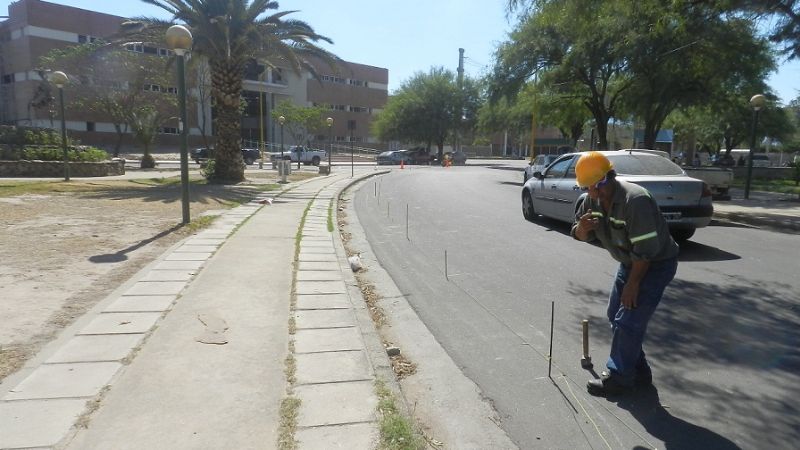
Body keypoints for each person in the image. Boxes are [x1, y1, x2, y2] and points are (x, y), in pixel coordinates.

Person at [570, 152, 679, 396]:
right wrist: (582, 229)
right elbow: (577, 232)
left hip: (655, 263)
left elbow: (646, 252)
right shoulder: (592, 201)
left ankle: (619, 376)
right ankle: (638, 370)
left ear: (604, 180)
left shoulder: (635, 200)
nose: (589, 192)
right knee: (614, 314)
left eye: (591, 186)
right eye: (586, 187)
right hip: (630, 262)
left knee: (628, 319)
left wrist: (632, 286)